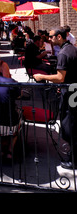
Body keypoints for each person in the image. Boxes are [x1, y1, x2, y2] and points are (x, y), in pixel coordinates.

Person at [34, 27, 77, 170]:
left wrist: (42, 77)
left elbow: (60, 77)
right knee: (71, 122)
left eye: (51, 37)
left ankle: (73, 160)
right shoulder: (71, 48)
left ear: (59, 37)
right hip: (72, 89)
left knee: (69, 124)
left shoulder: (64, 53)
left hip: (72, 92)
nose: (49, 39)